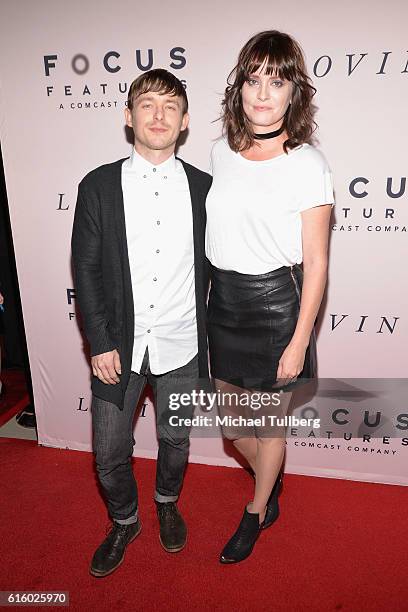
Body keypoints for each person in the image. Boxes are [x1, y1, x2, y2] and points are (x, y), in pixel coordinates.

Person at [71, 69, 212, 577]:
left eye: (170, 107)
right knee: (109, 453)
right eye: (147, 105)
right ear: (129, 117)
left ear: (185, 121)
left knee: (175, 440)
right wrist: (101, 341)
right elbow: (84, 269)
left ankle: (167, 501)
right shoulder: (98, 186)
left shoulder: (204, 189)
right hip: (118, 349)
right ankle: (125, 520)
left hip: (184, 343)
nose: (158, 115)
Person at [205, 30, 335, 563]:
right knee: (235, 430)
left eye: (276, 81)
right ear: (239, 89)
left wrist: (299, 340)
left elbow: (318, 260)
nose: (262, 93)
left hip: (277, 307)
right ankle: (270, 474)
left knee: (269, 423)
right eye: (253, 80)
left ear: (293, 93)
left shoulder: (308, 163)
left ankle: (257, 510)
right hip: (225, 304)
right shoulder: (220, 153)